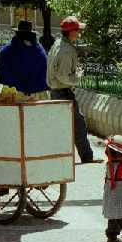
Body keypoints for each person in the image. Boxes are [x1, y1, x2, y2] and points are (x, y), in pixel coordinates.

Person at [47, 16, 99, 164]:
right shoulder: (66, 50)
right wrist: (78, 77)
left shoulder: (58, 44)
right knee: (78, 126)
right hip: (63, 91)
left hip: (57, 91)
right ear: (71, 32)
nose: (79, 33)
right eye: (77, 30)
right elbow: (63, 76)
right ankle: (86, 157)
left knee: (66, 125)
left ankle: (59, 157)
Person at [0, 19, 49, 100]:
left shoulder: (9, 49)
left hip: (15, 93)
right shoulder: (39, 50)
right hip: (37, 94)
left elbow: (0, 58)